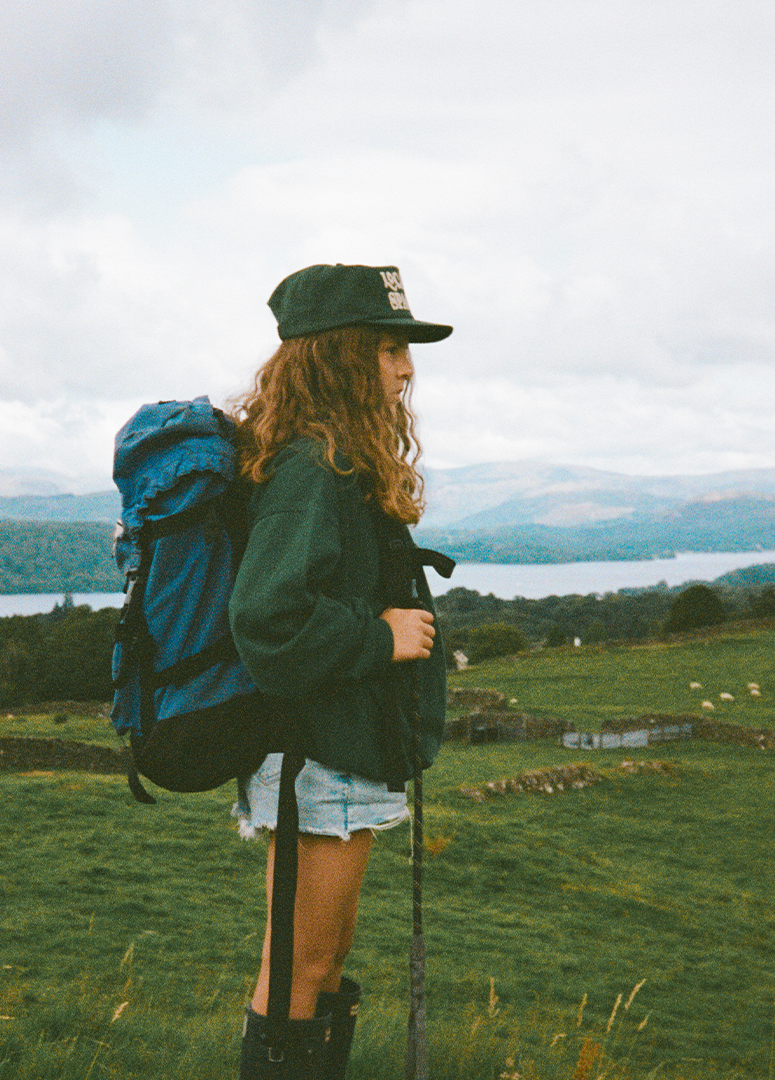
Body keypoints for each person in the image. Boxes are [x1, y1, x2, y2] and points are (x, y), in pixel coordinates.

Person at [228, 263, 453, 1079]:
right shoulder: (312, 470)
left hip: (339, 756)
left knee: (314, 968)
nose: (406, 368)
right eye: (390, 349)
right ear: (341, 357)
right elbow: (266, 616)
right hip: (318, 762)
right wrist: (379, 636)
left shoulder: (335, 464)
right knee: (299, 968)